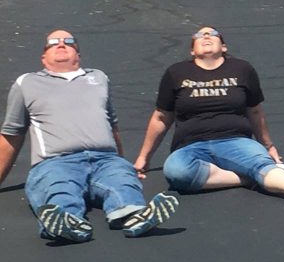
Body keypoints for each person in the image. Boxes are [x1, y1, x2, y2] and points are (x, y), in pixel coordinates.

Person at [0, 30, 178, 243]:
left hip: (105, 160)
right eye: (53, 43)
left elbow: (112, 125)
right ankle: (67, 223)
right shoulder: (26, 83)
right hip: (55, 163)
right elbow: (12, 134)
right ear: (43, 58)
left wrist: (122, 163)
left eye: (69, 42)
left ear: (78, 54)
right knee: (57, 188)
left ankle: (135, 217)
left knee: (123, 182)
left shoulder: (99, 77)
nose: (61, 44)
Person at [133, 27, 284, 207]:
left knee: (261, 162)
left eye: (212, 33)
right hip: (190, 146)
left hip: (235, 140)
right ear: (192, 51)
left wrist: (269, 146)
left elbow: (255, 111)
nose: (206, 36)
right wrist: (144, 158)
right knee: (176, 171)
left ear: (223, 46)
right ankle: (248, 177)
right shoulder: (176, 72)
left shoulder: (242, 69)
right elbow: (161, 117)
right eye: (200, 36)